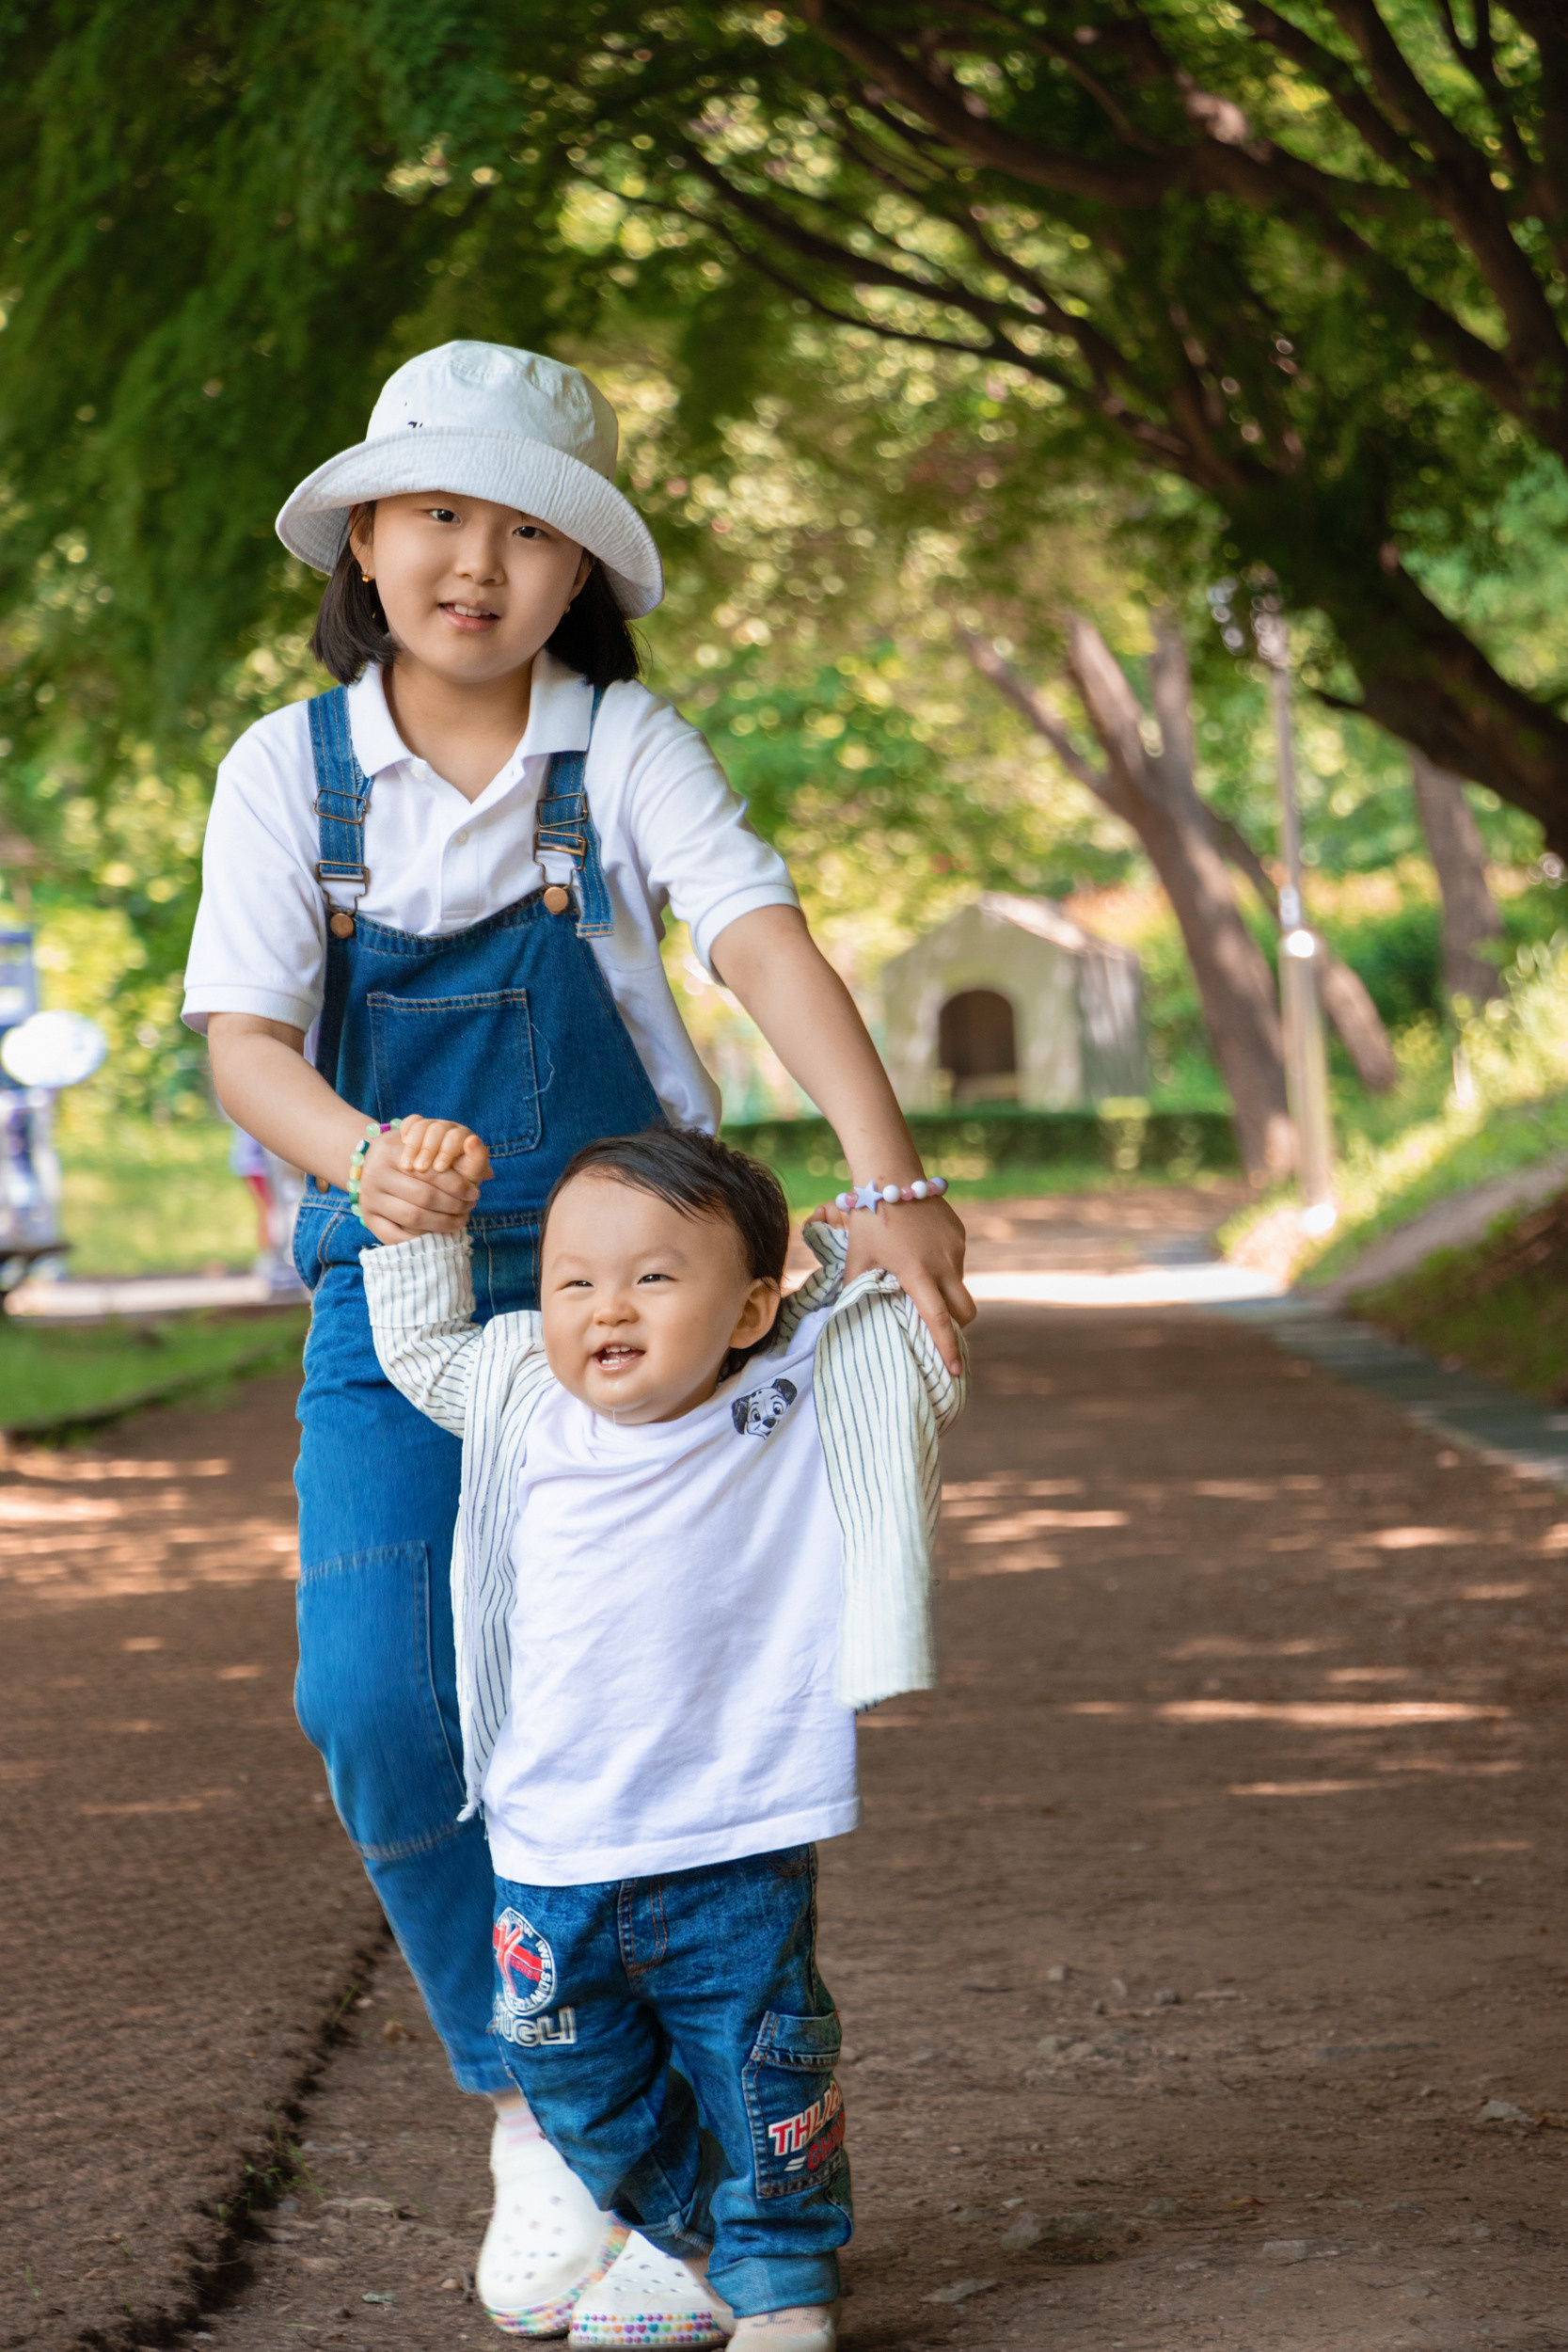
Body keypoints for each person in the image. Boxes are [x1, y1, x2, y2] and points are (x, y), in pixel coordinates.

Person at [181, 340, 974, 2339]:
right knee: (375, 1692)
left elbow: (757, 935)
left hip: (653, 1308)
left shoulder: (618, 746)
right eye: (440, 511)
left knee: (674, 1714)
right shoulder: (289, 768)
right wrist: (384, 1167)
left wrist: (886, 1183)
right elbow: (245, 1041)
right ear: (366, 536)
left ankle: (723, 2159)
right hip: (406, 1279)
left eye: (527, 529)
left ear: (577, 574)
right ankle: (532, 2089)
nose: (478, 558)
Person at [360, 1121, 966, 2349]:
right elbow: (428, 1348)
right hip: (548, 1847)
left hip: (734, 1835)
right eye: (573, 1280)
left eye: (652, 1276)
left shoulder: (788, 1393)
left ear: (748, 1309)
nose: (606, 1307)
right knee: (566, 2077)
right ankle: (709, 2241)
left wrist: (874, 1214)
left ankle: (783, 2287)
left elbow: (900, 1328)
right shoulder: (524, 1392)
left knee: (761, 2073)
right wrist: (422, 1231)